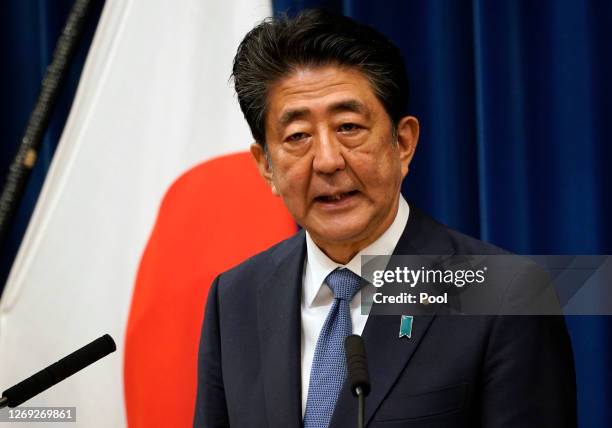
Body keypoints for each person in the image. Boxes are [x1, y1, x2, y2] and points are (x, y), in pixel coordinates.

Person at [194, 9, 576, 427]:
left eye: (349, 127)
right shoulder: (236, 297)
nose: (326, 160)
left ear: (403, 142)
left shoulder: (505, 295)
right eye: (298, 136)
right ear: (266, 166)